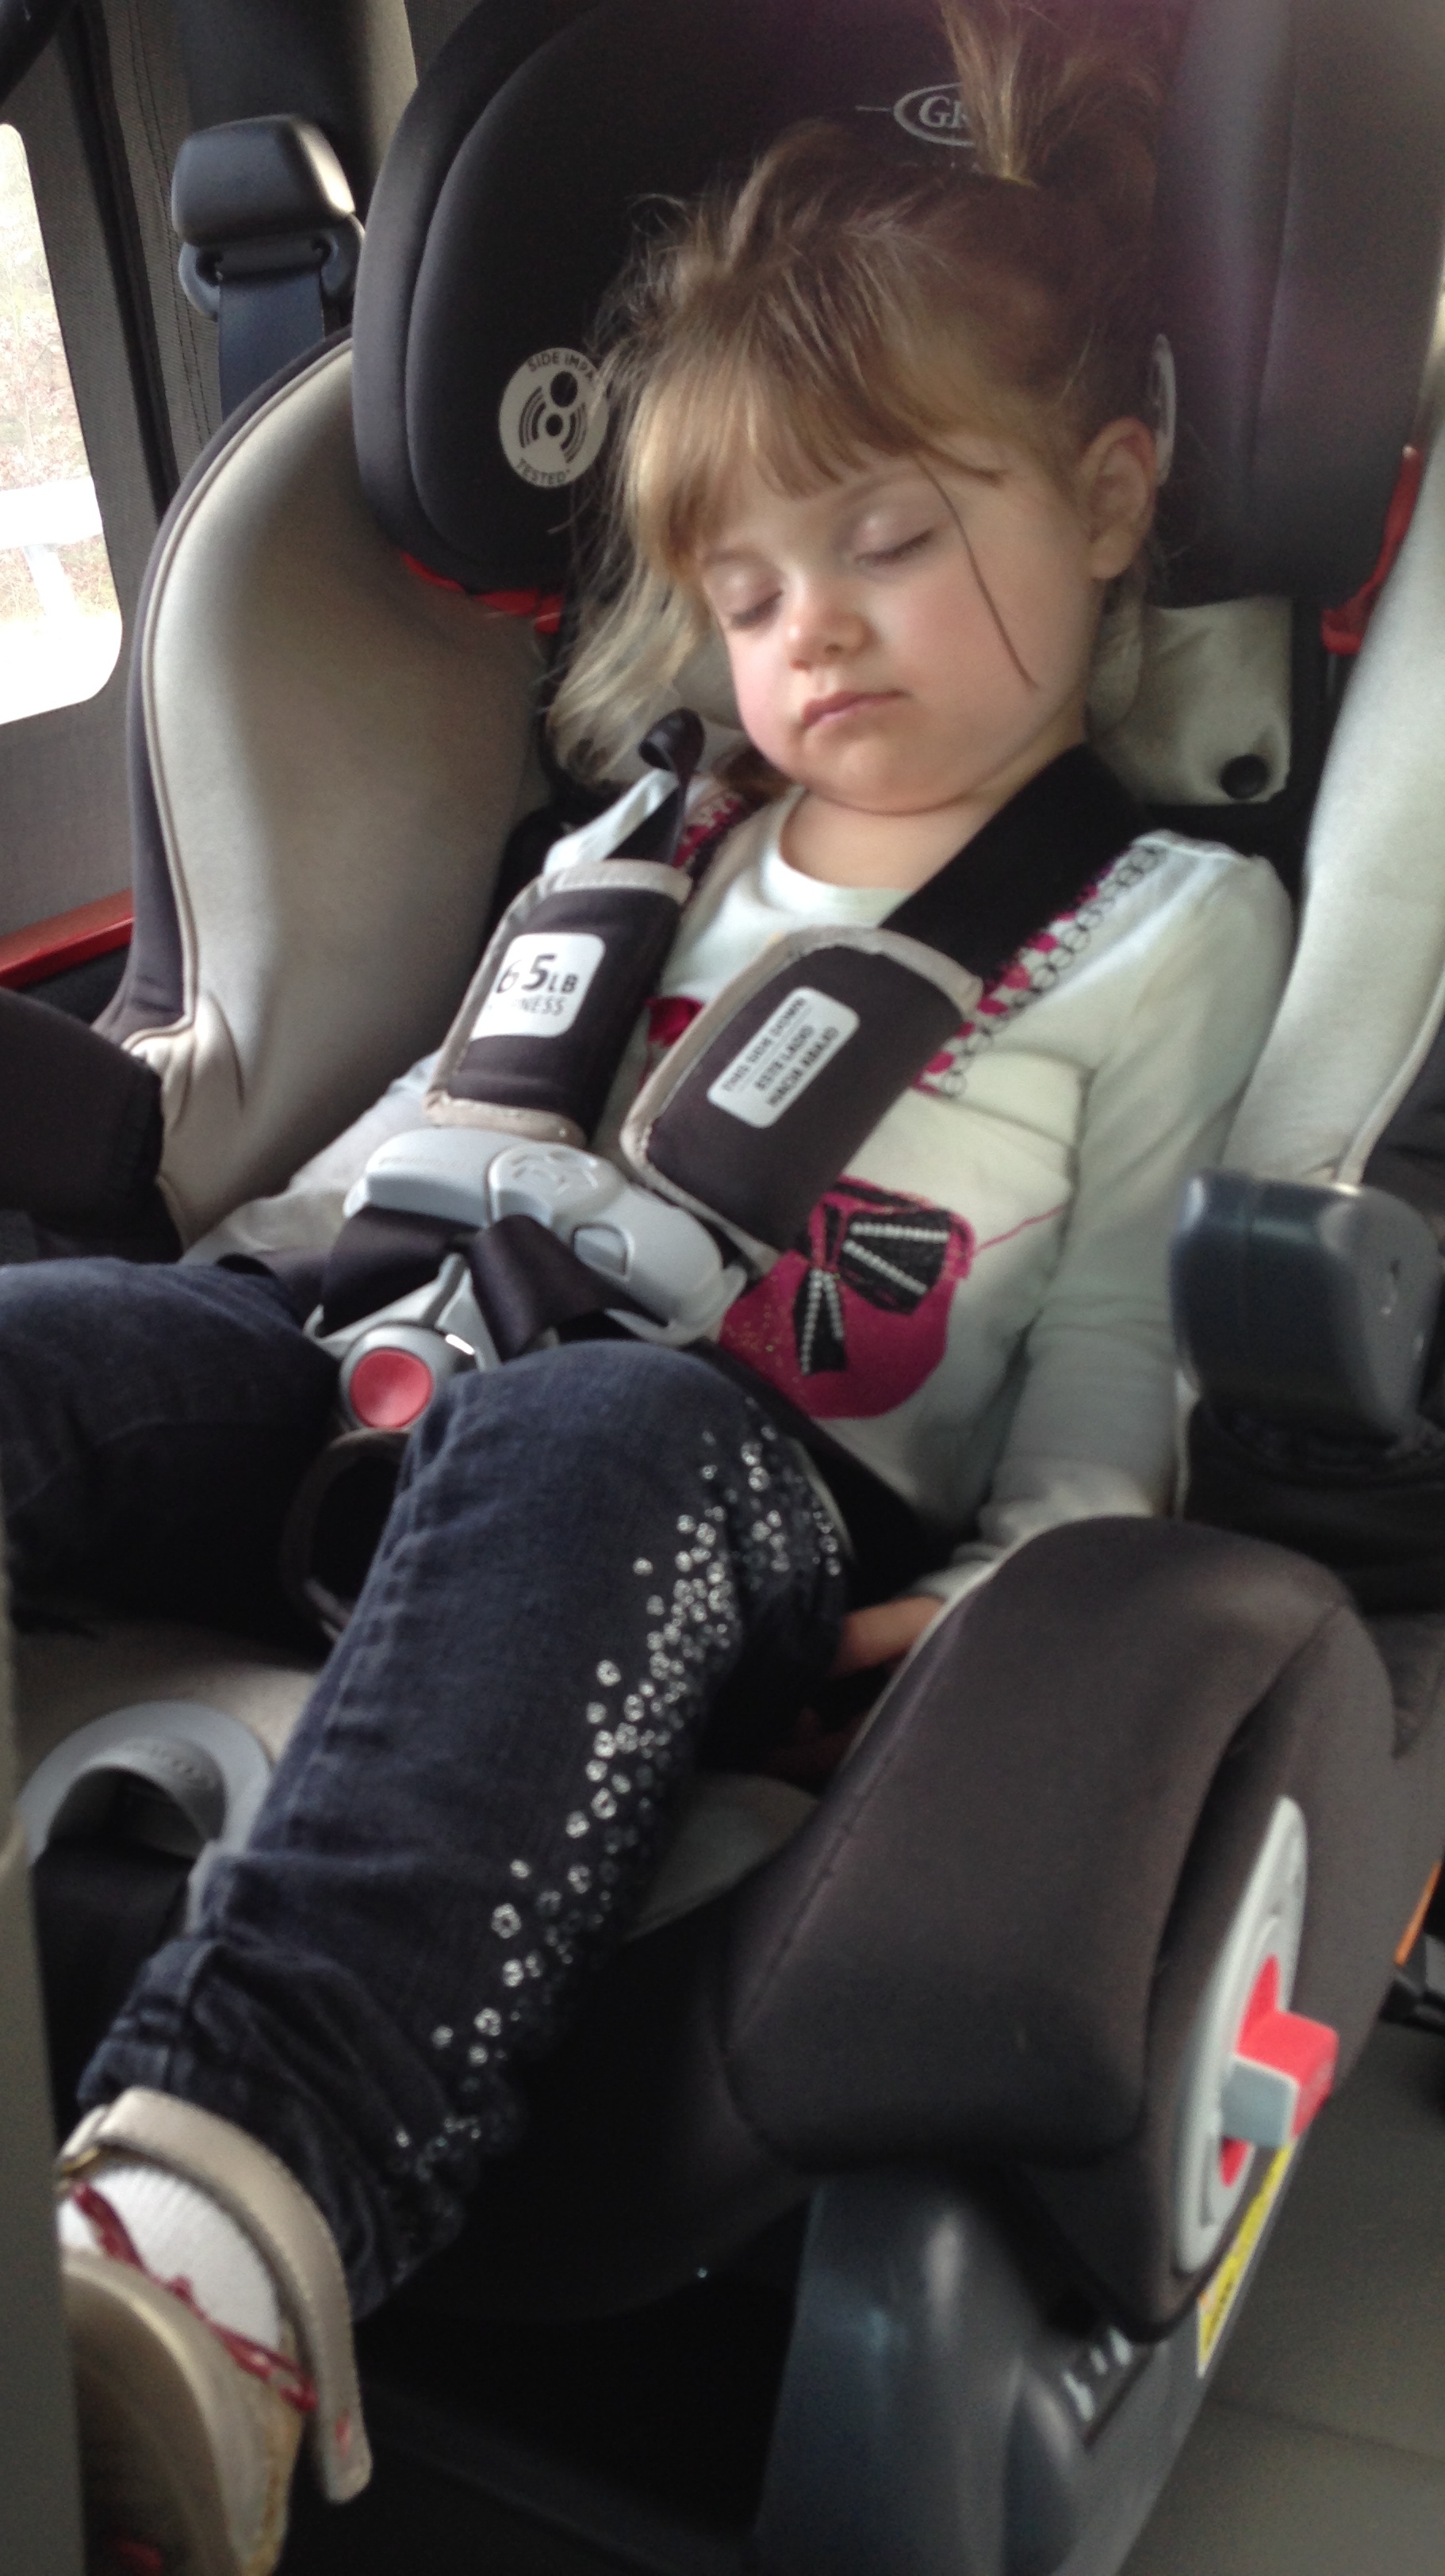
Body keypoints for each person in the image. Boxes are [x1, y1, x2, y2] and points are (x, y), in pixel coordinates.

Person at [5, 3, 1293, 2567]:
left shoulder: (1163, 924)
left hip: (725, 1487)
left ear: (1109, 492)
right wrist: (210, 1307)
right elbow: (422, 1127)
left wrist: (1026, 1585)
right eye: (748, 587)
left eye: (894, 538)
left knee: (592, 1429)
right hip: (360, 1368)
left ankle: (232, 2229)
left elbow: (1123, 1335)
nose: (815, 634)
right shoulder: (636, 840)